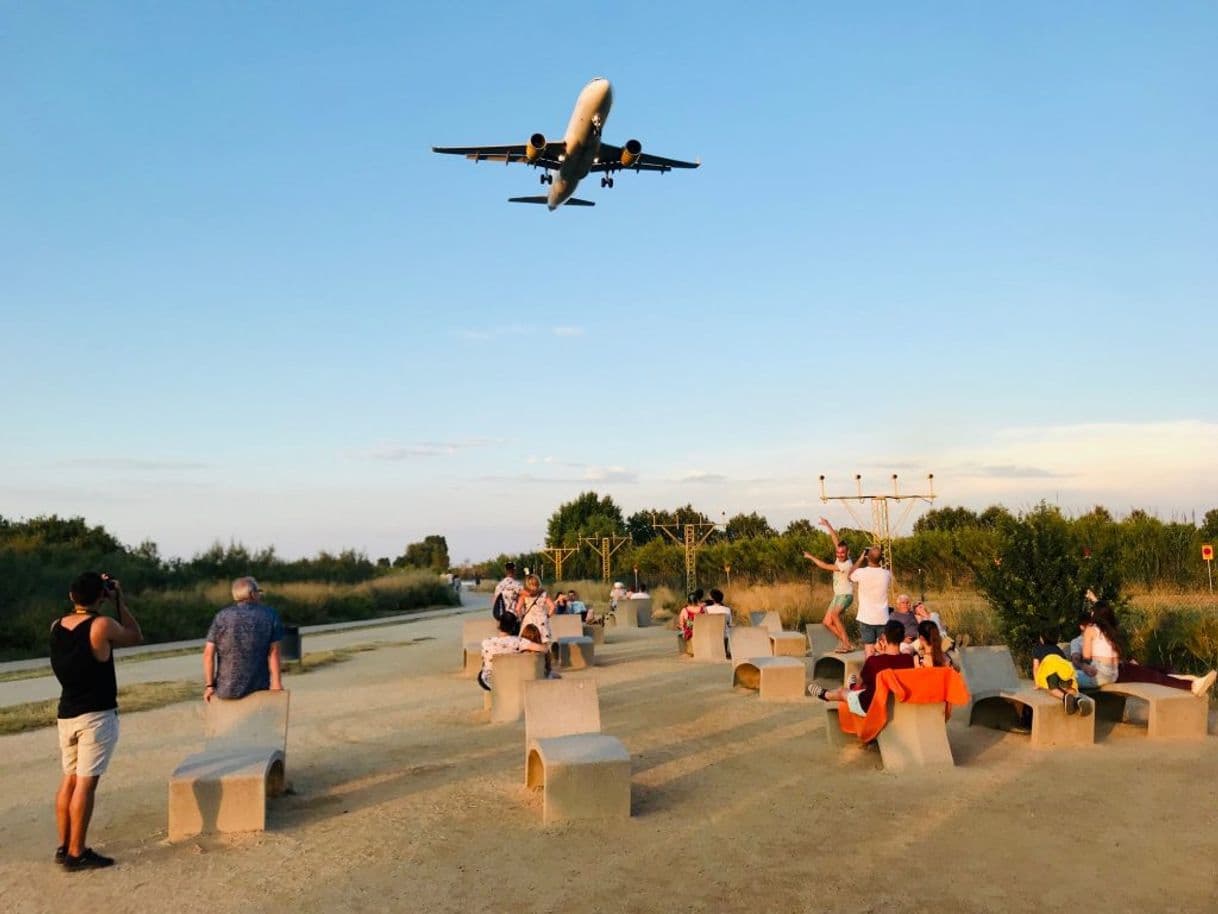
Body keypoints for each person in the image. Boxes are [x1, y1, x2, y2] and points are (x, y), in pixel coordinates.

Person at [50, 572, 143, 870]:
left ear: (71, 596)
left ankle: (65, 846)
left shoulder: (57, 626)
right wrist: (120, 601)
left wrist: (105, 595)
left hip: (67, 714)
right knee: (85, 786)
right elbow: (134, 635)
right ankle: (77, 853)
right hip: (96, 715)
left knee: (69, 781)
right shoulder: (101, 625)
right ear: (101, 596)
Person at [1086, 603, 1217, 695]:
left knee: (1154, 671)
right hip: (1114, 672)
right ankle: (1191, 685)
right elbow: (1088, 657)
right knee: (1153, 677)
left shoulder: (1105, 631)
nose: (1091, 613)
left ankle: (1191, 680)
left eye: (1092, 611)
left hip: (1119, 668)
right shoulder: (1091, 633)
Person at [203, 577, 284, 703]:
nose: (260, 595)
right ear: (252, 594)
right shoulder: (270, 615)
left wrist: (209, 686)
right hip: (258, 687)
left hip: (226, 689)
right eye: (259, 592)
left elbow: (208, 653)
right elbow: (274, 652)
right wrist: (277, 683)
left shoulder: (221, 616)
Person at [809, 619, 914, 715]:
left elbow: (861, 682)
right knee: (858, 686)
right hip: (894, 704)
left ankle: (825, 694)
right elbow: (892, 662)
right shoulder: (908, 660)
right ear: (902, 638)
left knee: (842, 691)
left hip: (870, 706)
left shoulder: (874, 661)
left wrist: (879, 654)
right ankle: (851, 687)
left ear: (884, 638)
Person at [801, 517, 854, 653]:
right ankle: (846, 642)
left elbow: (824, 565)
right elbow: (836, 540)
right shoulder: (840, 557)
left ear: (848, 552)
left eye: (842, 553)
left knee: (835, 616)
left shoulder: (846, 564)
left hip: (845, 596)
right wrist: (828, 525)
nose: (839, 555)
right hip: (837, 596)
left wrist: (810, 557)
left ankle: (847, 644)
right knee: (827, 622)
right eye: (838, 553)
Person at [1032, 632, 1095, 715]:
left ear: (1041, 639)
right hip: (1065, 668)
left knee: (1052, 688)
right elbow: (1064, 662)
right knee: (1067, 687)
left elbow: (1036, 667)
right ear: (1056, 640)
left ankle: (1064, 697)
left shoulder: (1038, 648)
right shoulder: (1057, 649)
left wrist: (1037, 683)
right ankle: (1078, 699)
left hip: (1050, 667)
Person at [476, 621, 548, 691]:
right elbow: (544, 649)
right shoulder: (518, 641)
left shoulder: (486, 642)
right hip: (509, 680)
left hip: (487, 682)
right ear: (513, 628)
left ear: (499, 627)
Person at [848, 546, 892, 658]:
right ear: (881, 559)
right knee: (883, 648)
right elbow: (883, 569)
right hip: (882, 617)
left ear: (867, 557)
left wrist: (860, 559)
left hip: (866, 617)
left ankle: (870, 672)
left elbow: (849, 576)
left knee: (869, 650)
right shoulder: (887, 574)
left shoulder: (861, 572)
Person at [514, 574, 555, 645]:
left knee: (527, 642)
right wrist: (547, 616)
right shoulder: (543, 594)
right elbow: (552, 607)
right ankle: (545, 655)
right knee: (544, 642)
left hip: (529, 620)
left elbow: (517, 609)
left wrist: (521, 618)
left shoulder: (523, 595)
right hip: (542, 620)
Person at [492, 562, 523, 627]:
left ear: (505, 571)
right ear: (514, 571)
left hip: (503, 615)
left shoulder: (500, 585)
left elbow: (494, 601)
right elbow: (523, 599)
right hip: (514, 615)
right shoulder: (518, 585)